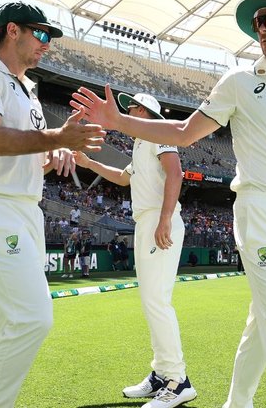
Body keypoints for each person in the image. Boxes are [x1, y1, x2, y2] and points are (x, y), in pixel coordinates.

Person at [71, 0, 266, 408]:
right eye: (257, 24)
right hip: (257, 209)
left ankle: (237, 403)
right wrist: (119, 121)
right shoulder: (238, 82)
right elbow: (183, 132)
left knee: (264, 320)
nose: (262, 29)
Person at [0, 1, 104, 407]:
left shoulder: (28, 91)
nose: (48, 44)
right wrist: (54, 139)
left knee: (3, 319)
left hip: (24, 209)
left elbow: (25, 150)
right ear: (12, 30)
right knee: (33, 317)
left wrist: (53, 155)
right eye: (42, 34)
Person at [74, 91, 193, 408]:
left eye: (134, 107)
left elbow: (176, 172)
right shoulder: (142, 143)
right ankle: (161, 374)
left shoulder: (159, 133)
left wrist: (165, 218)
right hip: (147, 221)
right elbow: (124, 179)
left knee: (157, 301)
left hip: (157, 219)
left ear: (148, 113)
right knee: (152, 300)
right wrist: (89, 163)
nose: (128, 110)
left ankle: (179, 381)